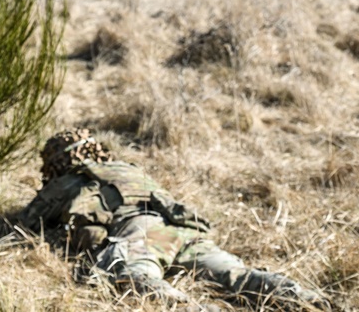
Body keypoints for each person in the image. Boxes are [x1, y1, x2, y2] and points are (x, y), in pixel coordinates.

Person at [17, 129, 330, 310]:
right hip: (181, 231)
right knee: (239, 276)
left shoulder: (66, 182)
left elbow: (26, 223)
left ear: (56, 163)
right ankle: (309, 300)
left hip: (138, 233)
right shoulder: (128, 168)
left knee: (130, 278)